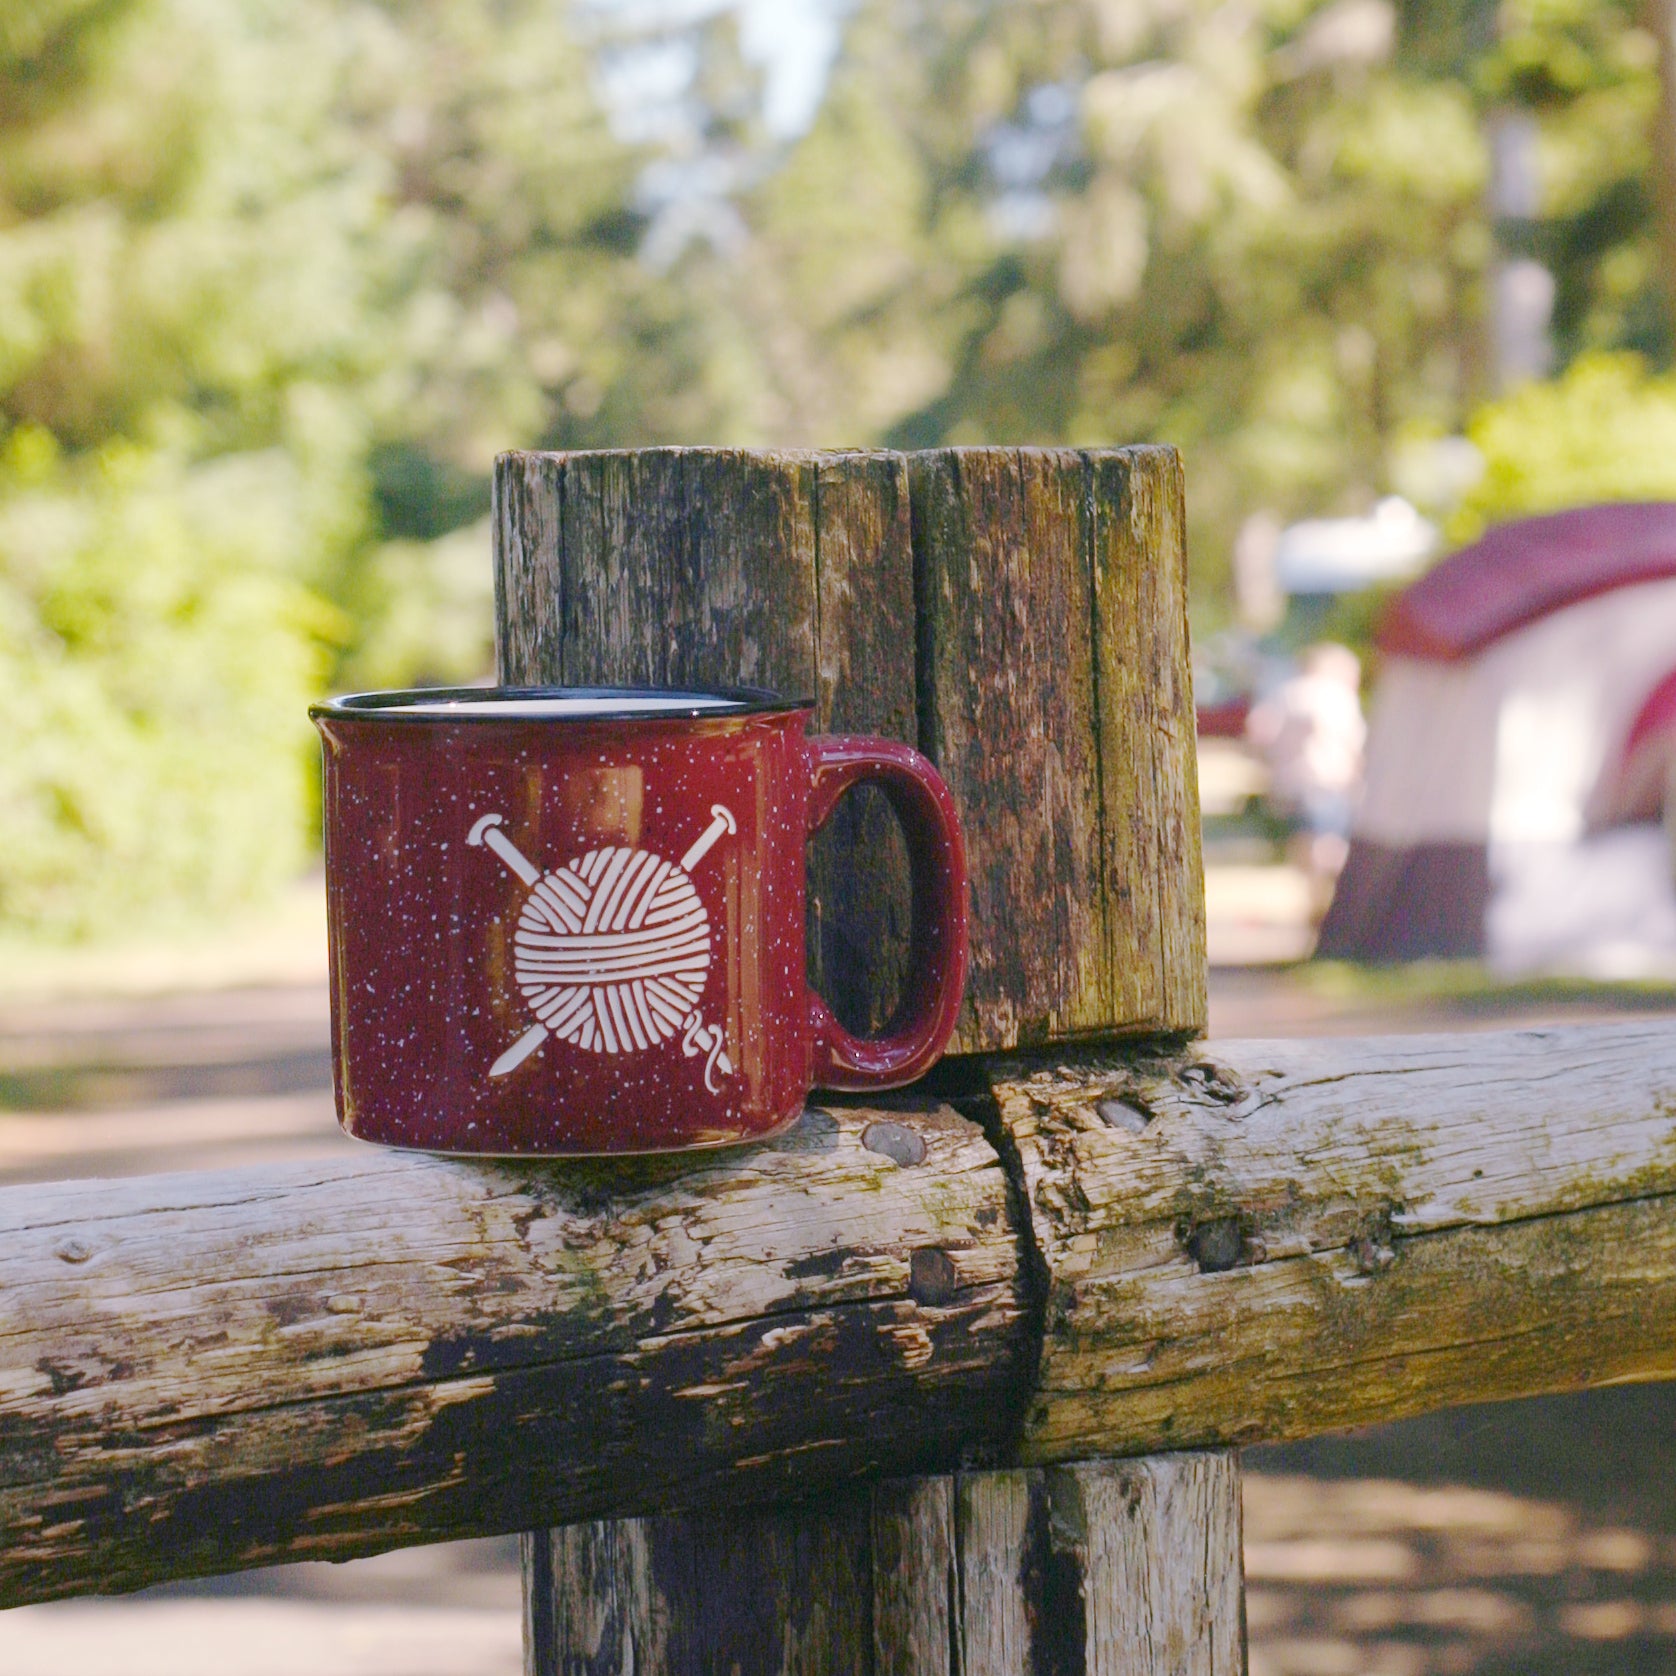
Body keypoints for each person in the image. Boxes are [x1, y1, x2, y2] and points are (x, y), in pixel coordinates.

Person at [1245, 642, 1366, 898]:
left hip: (1289, 782)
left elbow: (1258, 731)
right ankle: (1328, 899)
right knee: (1330, 844)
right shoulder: (1337, 695)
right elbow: (1353, 743)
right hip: (1328, 780)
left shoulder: (1285, 693)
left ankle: (1316, 897)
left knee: (1304, 842)